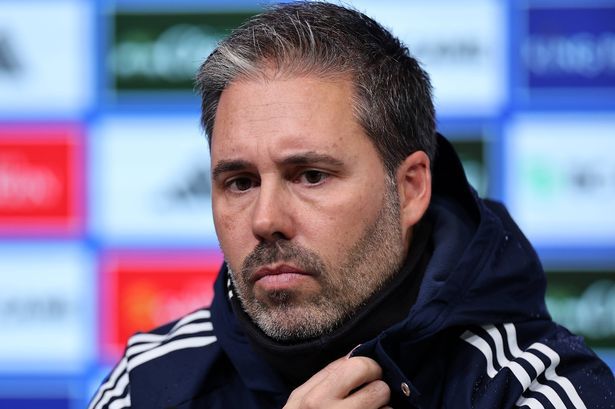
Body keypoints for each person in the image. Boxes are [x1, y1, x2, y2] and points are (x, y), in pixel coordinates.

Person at [89, 2, 615, 408]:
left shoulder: (531, 388)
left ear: (410, 188)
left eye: (311, 176)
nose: (266, 219)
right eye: (241, 182)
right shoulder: (148, 382)